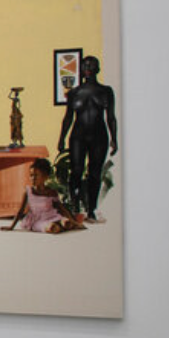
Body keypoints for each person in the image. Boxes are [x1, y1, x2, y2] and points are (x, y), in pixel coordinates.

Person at [57, 54, 117, 221]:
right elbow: (68, 118)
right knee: (76, 171)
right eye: (85, 66)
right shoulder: (74, 93)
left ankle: (91, 209)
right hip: (78, 136)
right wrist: (61, 138)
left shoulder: (106, 91)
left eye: (91, 66)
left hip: (99, 136)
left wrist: (114, 138)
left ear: (97, 69)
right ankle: (76, 208)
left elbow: (111, 117)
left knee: (95, 173)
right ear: (81, 70)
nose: (88, 68)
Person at [6, 158, 86, 234]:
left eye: (36, 175)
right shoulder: (28, 191)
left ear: (45, 177)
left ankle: (64, 225)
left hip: (52, 216)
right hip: (38, 220)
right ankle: (58, 227)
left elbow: (62, 209)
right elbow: (20, 211)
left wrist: (74, 222)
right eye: (31, 175)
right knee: (52, 228)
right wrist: (11, 227)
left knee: (67, 223)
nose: (33, 178)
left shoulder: (51, 192)